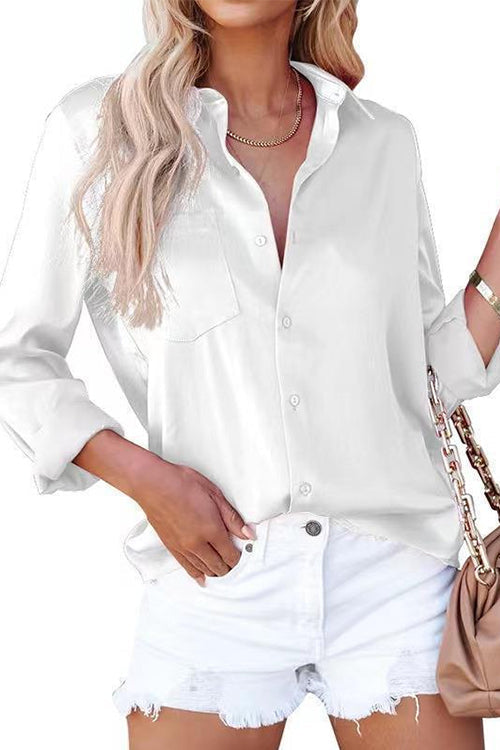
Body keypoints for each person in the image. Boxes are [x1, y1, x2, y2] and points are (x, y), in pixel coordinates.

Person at [1, 1, 500, 748]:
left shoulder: (382, 143)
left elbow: (427, 373)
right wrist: (148, 481)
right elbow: (15, 356)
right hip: (213, 568)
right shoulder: (100, 133)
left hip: (393, 574)